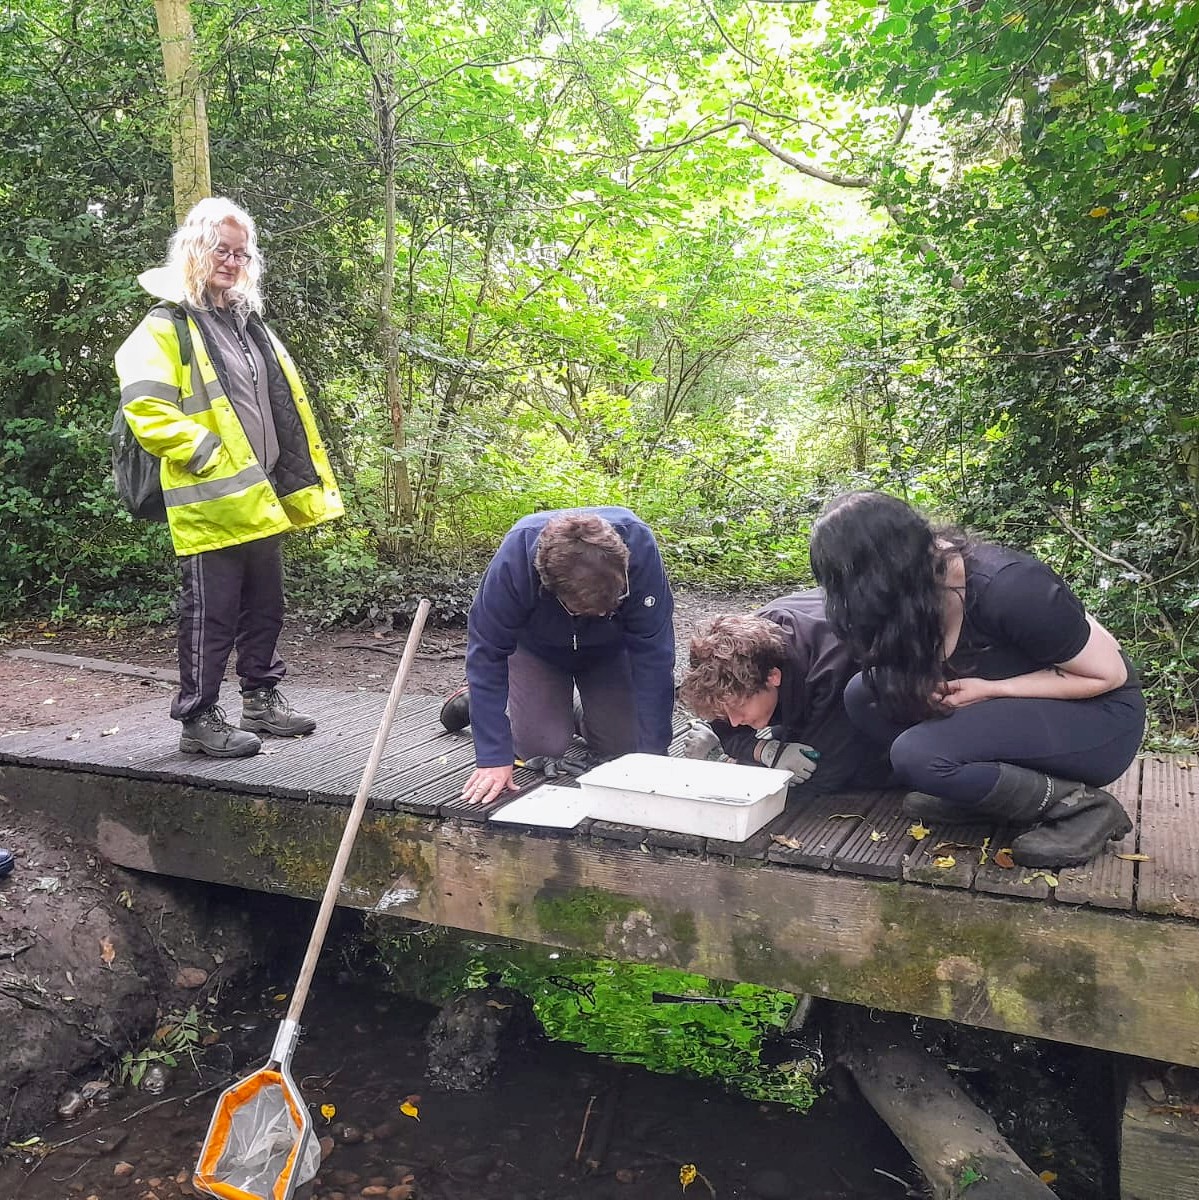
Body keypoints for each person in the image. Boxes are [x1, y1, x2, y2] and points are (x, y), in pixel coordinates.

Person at [114, 197, 343, 758]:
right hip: (211, 498)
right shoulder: (165, 325)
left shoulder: (246, 322)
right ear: (195, 248)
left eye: (241, 253)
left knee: (266, 605)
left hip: (260, 495)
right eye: (223, 249)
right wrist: (207, 451)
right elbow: (146, 409)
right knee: (209, 616)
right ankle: (198, 720)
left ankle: (260, 701)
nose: (233, 262)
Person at [808, 490, 1145, 867]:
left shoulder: (1010, 586)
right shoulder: (913, 596)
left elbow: (1108, 674)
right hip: (1018, 710)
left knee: (918, 755)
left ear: (886, 572)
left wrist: (994, 689)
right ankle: (982, 796)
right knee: (866, 694)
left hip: (1097, 719)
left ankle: (1082, 805)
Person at [455, 507, 675, 806]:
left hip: (611, 651)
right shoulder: (516, 559)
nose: (602, 614)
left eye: (614, 603)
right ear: (552, 589)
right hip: (537, 651)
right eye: (589, 610)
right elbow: (486, 655)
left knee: (628, 746)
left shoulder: (640, 545)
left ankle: (577, 710)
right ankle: (485, 701)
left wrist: (655, 757)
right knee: (541, 746)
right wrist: (493, 756)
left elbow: (655, 659)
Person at [678, 591, 891, 793]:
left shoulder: (831, 671)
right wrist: (763, 750)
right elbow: (725, 722)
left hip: (886, 695)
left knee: (856, 771)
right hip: (803, 689)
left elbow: (824, 774)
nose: (733, 721)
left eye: (738, 707)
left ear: (773, 677)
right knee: (783, 739)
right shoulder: (743, 654)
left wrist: (729, 764)